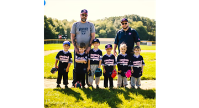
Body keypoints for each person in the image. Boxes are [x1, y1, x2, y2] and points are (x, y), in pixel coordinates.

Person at [70, 9, 95, 86]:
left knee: (87, 65)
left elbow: (93, 36)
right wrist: (75, 47)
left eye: (85, 15)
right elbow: (72, 36)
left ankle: (86, 82)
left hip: (87, 49)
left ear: (87, 16)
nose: (84, 16)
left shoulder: (90, 25)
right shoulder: (75, 24)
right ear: (80, 15)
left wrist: (89, 47)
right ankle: (76, 82)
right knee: (77, 66)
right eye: (83, 14)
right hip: (78, 49)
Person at [113, 18, 141, 87]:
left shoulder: (133, 31)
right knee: (122, 67)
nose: (124, 24)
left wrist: (138, 50)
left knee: (131, 68)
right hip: (121, 53)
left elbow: (137, 41)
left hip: (131, 53)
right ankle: (122, 83)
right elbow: (116, 42)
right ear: (121, 24)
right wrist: (114, 50)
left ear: (128, 23)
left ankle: (132, 83)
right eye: (123, 23)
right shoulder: (119, 32)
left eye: (126, 23)